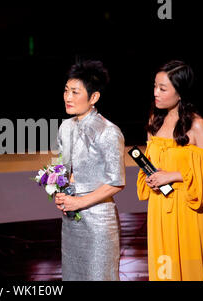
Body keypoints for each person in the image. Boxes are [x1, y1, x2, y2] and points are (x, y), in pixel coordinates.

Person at [137, 60, 203, 281]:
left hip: (187, 210)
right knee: (165, 269)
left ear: (180, 92)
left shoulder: (196, 126)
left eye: (163, 89)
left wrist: (173, 176)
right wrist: (151, 177)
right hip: (159, 209)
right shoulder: (154, 120)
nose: (156, 93)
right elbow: (151, 160)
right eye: (155, 86)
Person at [54, 60, 126, 280]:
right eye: (66, 91)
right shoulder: (65, 127)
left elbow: (117, 182)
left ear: (94, 97)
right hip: (71, 220)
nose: (68, 97)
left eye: (75, 92)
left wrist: (80, 202)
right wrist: (60, 192)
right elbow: (63, 169)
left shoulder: (108, 132)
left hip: (98, 223)